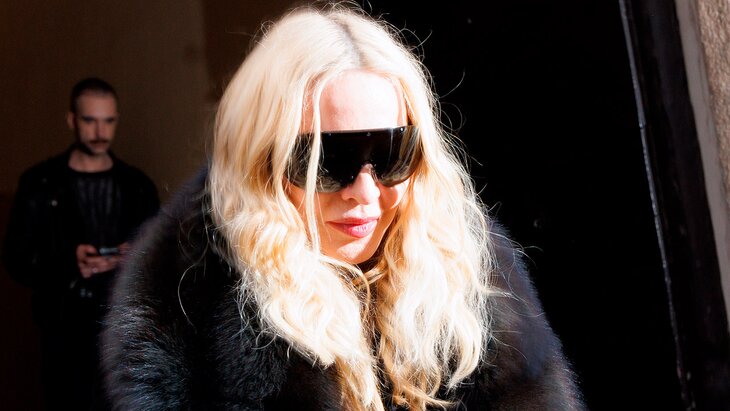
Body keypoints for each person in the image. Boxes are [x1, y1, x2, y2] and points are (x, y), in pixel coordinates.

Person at [101, 3, 584, 410]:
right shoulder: (184, 313)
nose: (365, 194)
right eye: (329, 161)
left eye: (392, 155)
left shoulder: (469, 280)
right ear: (261, 166)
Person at [3, 77, 160, 410]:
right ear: (72, 120)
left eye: (108, 121)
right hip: (63, 331)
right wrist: (67, 261)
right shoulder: (40, 183)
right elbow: (16, 259)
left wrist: (133, 258)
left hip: (121, 333)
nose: (100, 131)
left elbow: (161, 261)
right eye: (90, 120)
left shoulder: (137, 186)